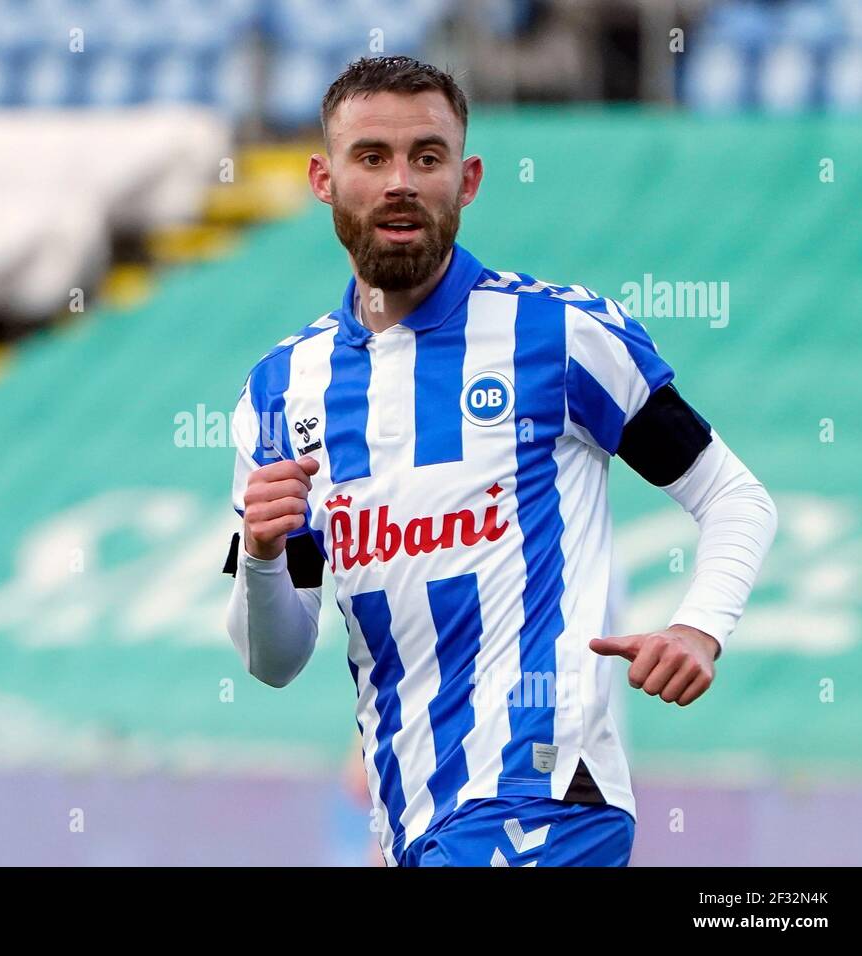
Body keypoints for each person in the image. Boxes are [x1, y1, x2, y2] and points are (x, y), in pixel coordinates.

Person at [222, 56, 777, 867]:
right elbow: (273, 659)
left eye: (428, 156)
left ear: (469, 178)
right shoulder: (280, 392)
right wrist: (264, 559)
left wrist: (700, 627)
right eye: (371, 157)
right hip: (413, 819)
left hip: (547, 796)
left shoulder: (558, 336)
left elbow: (734, 496)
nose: (401, 182)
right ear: (323, 178)